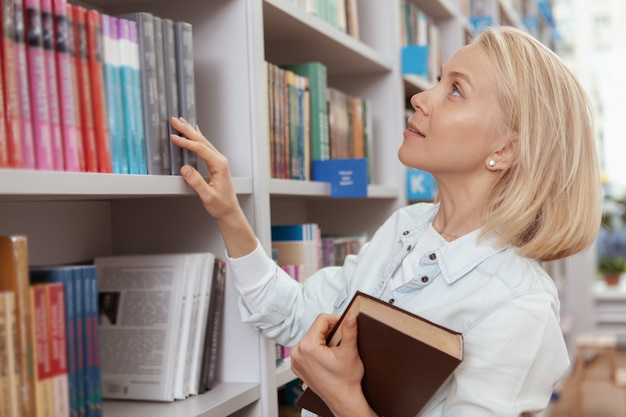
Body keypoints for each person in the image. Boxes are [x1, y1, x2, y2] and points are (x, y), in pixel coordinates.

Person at [169, 25, 601, 417]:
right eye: (437, 79)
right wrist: (228, 210)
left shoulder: (519, 304)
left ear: (506, 149)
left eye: (455, 90)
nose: (420, 97)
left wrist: (342, 396)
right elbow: (296, 315)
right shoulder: (406, 228)